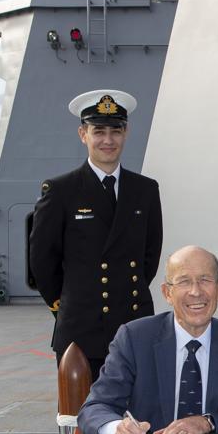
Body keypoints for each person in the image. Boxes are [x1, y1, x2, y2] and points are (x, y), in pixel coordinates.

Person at [28, 89, 163, 380]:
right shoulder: (61, 191)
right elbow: (42, 261)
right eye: (98, 131)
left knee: (138, 418)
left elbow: (149, 258)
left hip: (134, 323)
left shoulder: (145, 190)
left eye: (115, 131)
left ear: (125, 133)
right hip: (81, 329)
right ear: (83, 134)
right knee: (83, 419)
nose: (107, 140)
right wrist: (70, 304)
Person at [77, 246, 218, 434]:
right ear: (167, 292)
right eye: (184, 281)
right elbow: (95, 408)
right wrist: (117, 430)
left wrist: (207, 422)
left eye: (205, 280)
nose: (196, 291)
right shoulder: (135, 338)